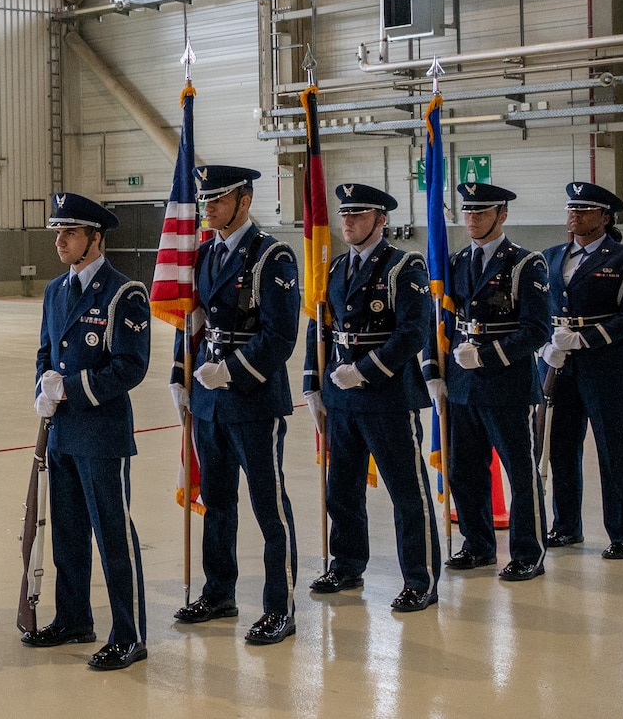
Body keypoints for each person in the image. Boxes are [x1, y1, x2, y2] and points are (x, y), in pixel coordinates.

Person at [169, 165, 302, 646]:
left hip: (253, 400)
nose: (208, 208)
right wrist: (179, 377)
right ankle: (219, 591)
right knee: (218, 503)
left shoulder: (272, 256)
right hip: (208, 402)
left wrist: (232, 371)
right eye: (205, 200)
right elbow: (191, 323)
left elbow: (281, 336)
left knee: (270, 508)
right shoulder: (203, 254)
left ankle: (279, 607)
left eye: (217, 200)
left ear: (243, 201)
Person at [23, 193, 152, 672]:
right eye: (58, 232)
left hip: (101, 433)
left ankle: (129, 633)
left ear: (95, 239)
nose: (59, 241)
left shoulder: (124, 293)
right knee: (69, 534)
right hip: (62, 432)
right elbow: (44, 352)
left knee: (112, 536)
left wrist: (71, 388)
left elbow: (130, 366)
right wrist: (42, 386)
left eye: (69, 233)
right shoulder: (56, 291)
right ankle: (75, 617)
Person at [301, 183, 442, 613]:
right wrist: (313, 383)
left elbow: (413, 333)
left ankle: (421, 579)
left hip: (387, 397)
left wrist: (364, 371)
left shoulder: (403, 266)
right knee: (341, 489)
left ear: (381, 220)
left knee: (406, 491)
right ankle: (346, 564)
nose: (348, 222)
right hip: (342, 399)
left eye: (359, 216)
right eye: (345, 215)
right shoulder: (334, 267)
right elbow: (319, 326)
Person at [431, 182, 552, 581]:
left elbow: (537, 330)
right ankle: (477, 544)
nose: (472, 220)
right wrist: (437, 370)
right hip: (463, 386)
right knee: (465, 471)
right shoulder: (456, 262)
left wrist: (485, 355)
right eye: (467, 213)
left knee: (520, 473)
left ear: (502, 215)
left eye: (481, 213)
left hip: (507, 384)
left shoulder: (525, 264)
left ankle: (528, 552)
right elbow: (442, 321)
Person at [540, 181, 623, 559]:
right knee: (560, 447)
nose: (575, 216)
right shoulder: (551, 256)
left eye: (585, 210)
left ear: (605, 217)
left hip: (609, 367)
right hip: (560, 366)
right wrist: (545, 344)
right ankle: (566, 525)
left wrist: (585, 339)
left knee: (613, 449)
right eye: (572, 209)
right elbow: (540, 310)